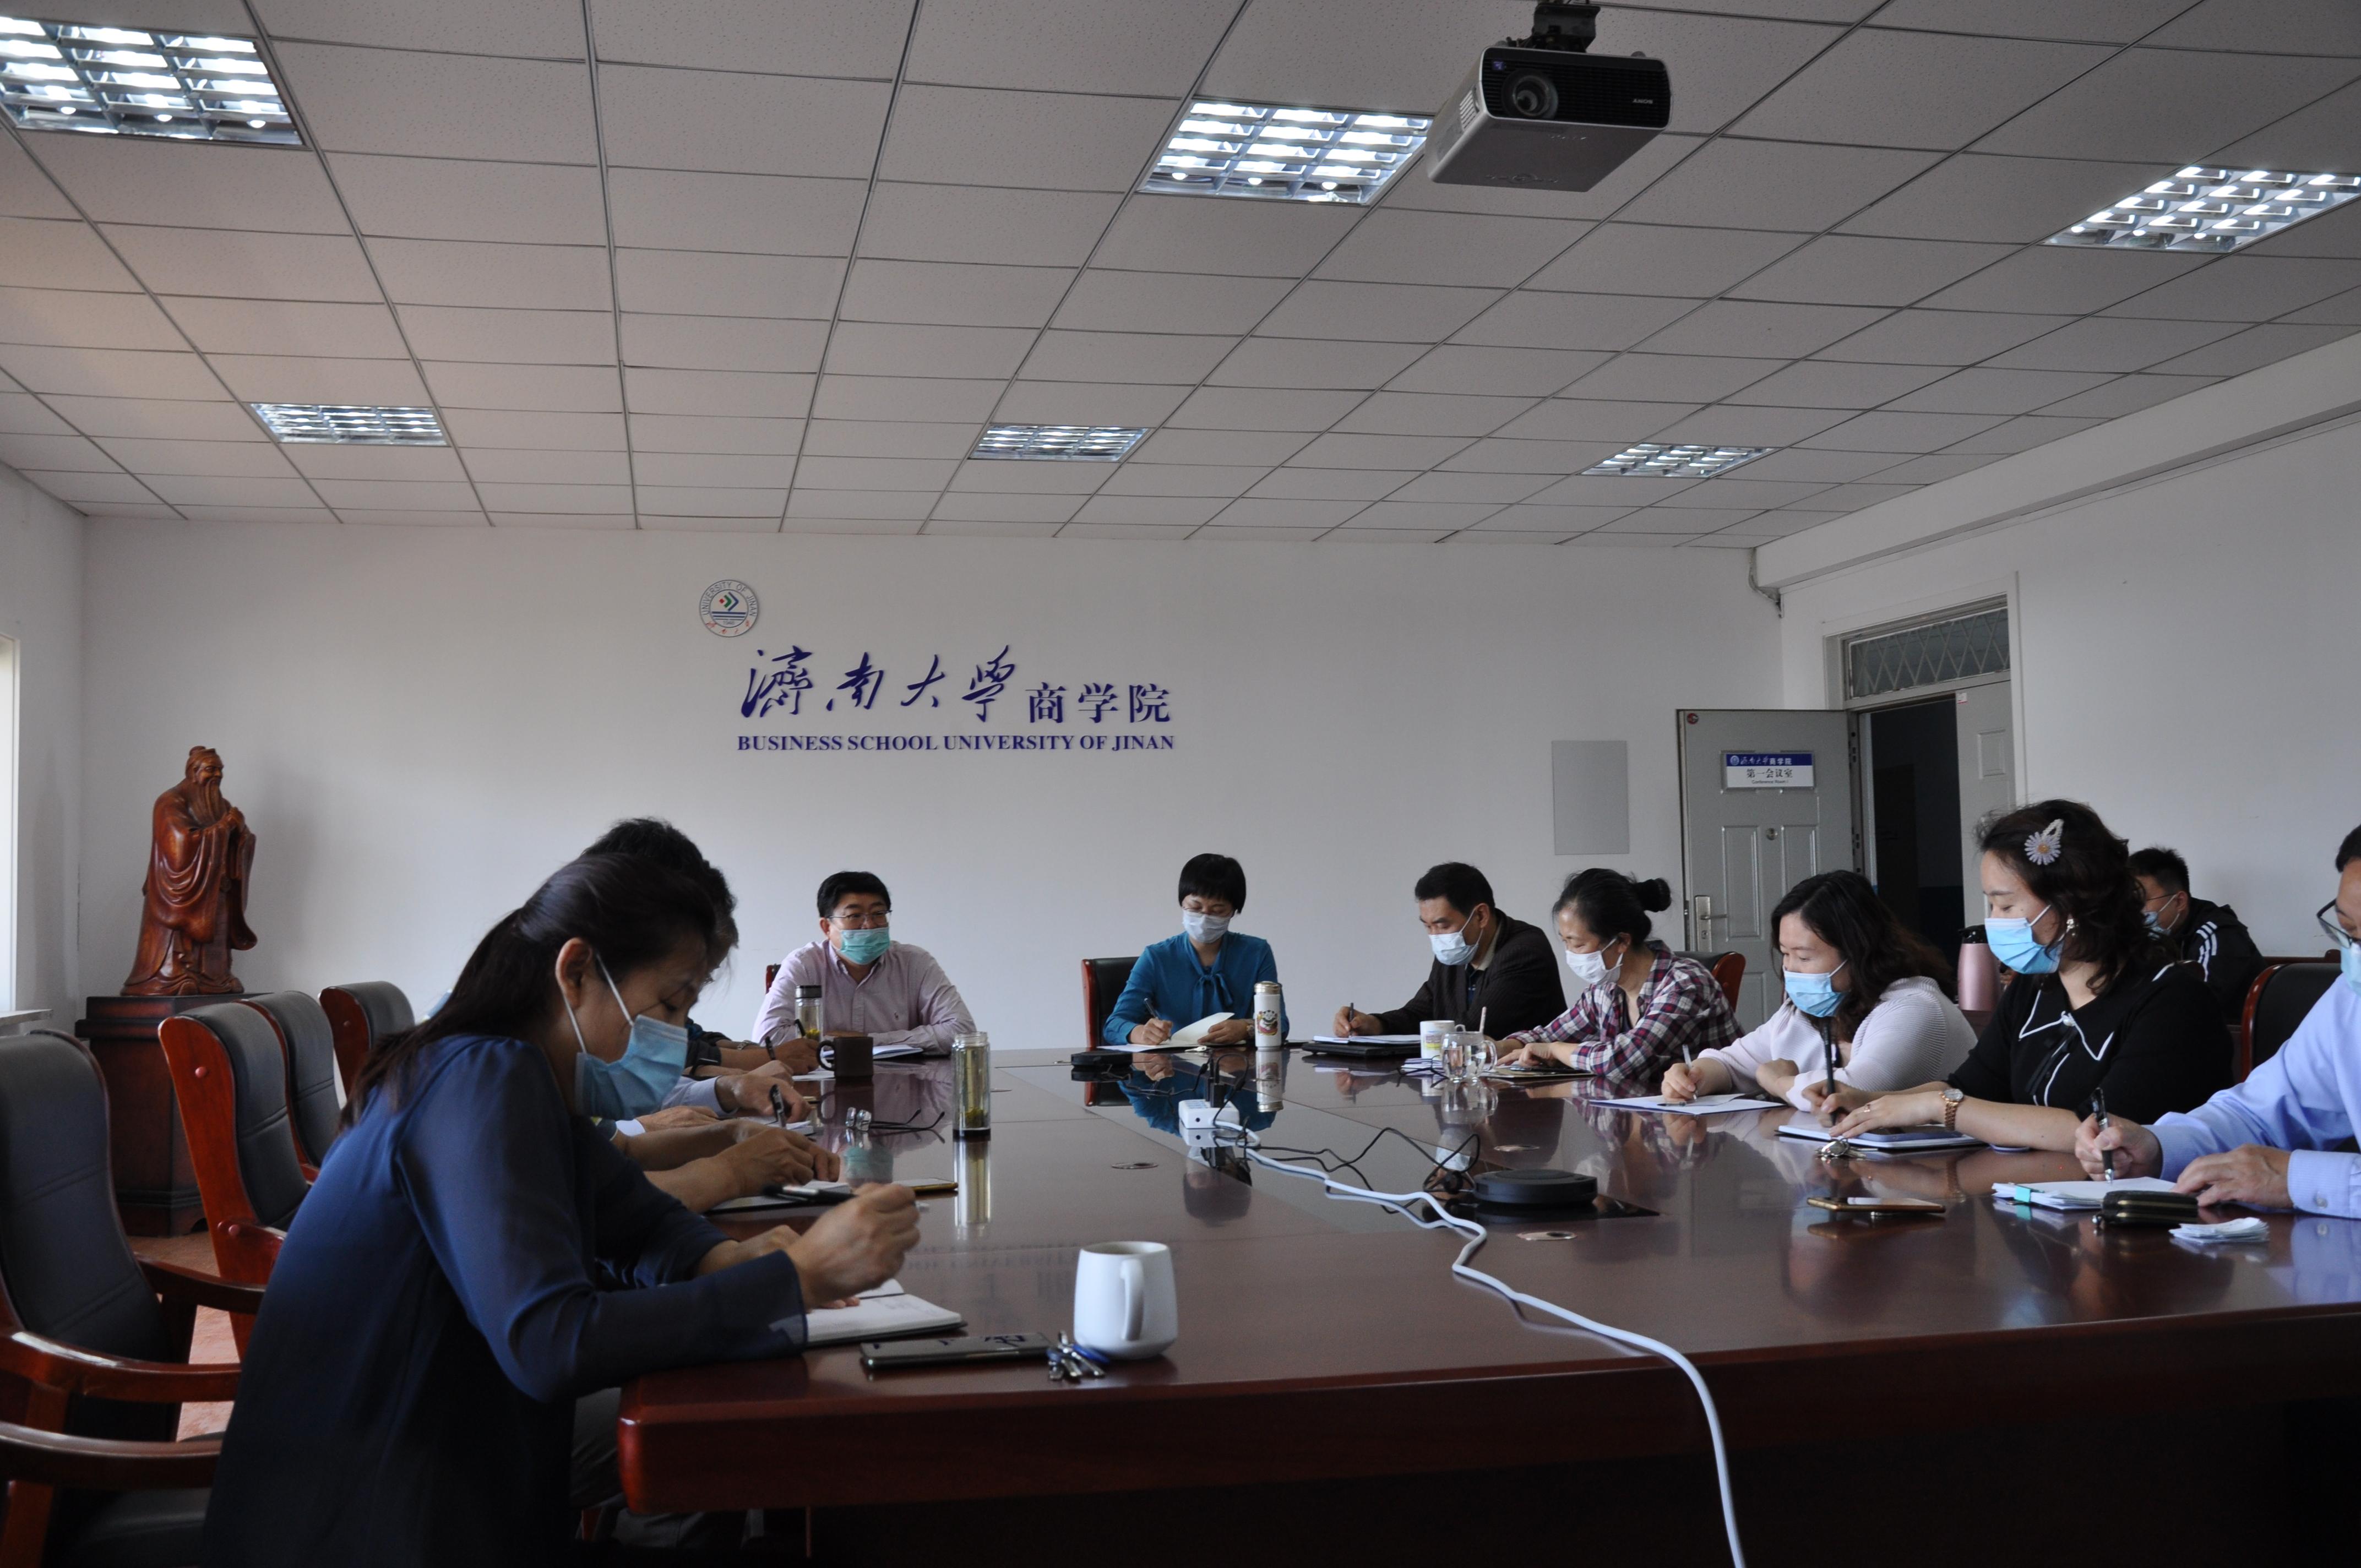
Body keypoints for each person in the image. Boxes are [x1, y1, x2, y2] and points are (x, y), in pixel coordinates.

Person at [200, 852, 920, 1567]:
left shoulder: (520, 1074)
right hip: (374, 1515)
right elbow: (550, 1341)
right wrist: (794, 1278)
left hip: (453, 1465)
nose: (676, 1036)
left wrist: (720, 1255)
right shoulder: (480, 1077)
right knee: (752, 1437)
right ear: (575, 972)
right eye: (670, 1005)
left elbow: (633, 1214)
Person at [1823, 800, 2233, 1151]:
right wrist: (1867, 1102)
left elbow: (2100, 1132)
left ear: (2073, 904)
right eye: (1992, 905)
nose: (1994, 921)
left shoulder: (2172, 1000)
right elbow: (1970, 1088)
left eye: (2006, 906)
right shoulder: (2035, 990)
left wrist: (1940, 1109)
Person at [2078, 825, 2361, 1215]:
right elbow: (2260, 1114)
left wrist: (2302, 1179)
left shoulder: (2214, 939)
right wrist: (2157, 1147)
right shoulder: (2350, 1000)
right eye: (2350, 932)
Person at [1663, 869, 1973, 1110]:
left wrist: (1777, 1081)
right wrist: (1694, 1076)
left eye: (1804, 957)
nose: (1791, 969)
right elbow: (1733, 1063)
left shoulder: (1916, 1008)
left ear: (1858, 951)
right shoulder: (1810, 1009)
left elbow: (1847, 1094)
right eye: (1786, 954)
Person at [580, 819, 815, 1115]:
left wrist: (731, 1089)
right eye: (671, 1001)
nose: (675, 1032)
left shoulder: (576, 1063)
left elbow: (613, 1132)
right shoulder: (530, 1069)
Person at [1496, 869, 1737, 1080]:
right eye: (1565, 942)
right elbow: (1548, 1036)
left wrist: (1556, 1050)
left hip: (1715, 1114)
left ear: (1622, 941)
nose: (1570, 954)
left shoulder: (1685, 984)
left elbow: (1623, 1061)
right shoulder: (1605, 989)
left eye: (1578, 945)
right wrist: (1497, 1048)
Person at [1332, 862, 1565, 1042]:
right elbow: (1422, 1013)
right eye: (1427, 926)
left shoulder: (1525, 952)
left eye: (1443, 926)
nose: (1436, 936)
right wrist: (1374, 1024)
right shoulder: (1457, 950)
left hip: (1527, 1086)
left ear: (1481, 916)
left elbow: (1474, 1030)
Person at [752, 871, 974, 1056]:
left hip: (903, 1084)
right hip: (823, 1083)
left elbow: (962, 1031)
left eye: (878, 914)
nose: (869, 925)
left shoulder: (915, 963)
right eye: (854, 916)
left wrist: (864, 1041)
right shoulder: (804, 965)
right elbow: (768, 1039)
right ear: (827, 927)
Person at [1104, 853, 1285, 1048]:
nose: (1205, 918)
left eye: (1217, 911)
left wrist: (1246, 1028)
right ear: (1182, 903)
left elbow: (1280, 1024)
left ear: (1233, 912)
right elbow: (1114, 1025)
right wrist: (1140, 1033)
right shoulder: (1156, 957)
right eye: (1195, 907)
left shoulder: (1256, 953)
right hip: (1172, 1063)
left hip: (1237, 1062)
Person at [2129, 845, 2265, 1026]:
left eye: (2142, 900)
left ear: (2179, 901)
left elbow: (2198, 1003)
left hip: (2232, 1036)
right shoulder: (2148, 936)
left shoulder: (2219, 934)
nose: (2134, 911)